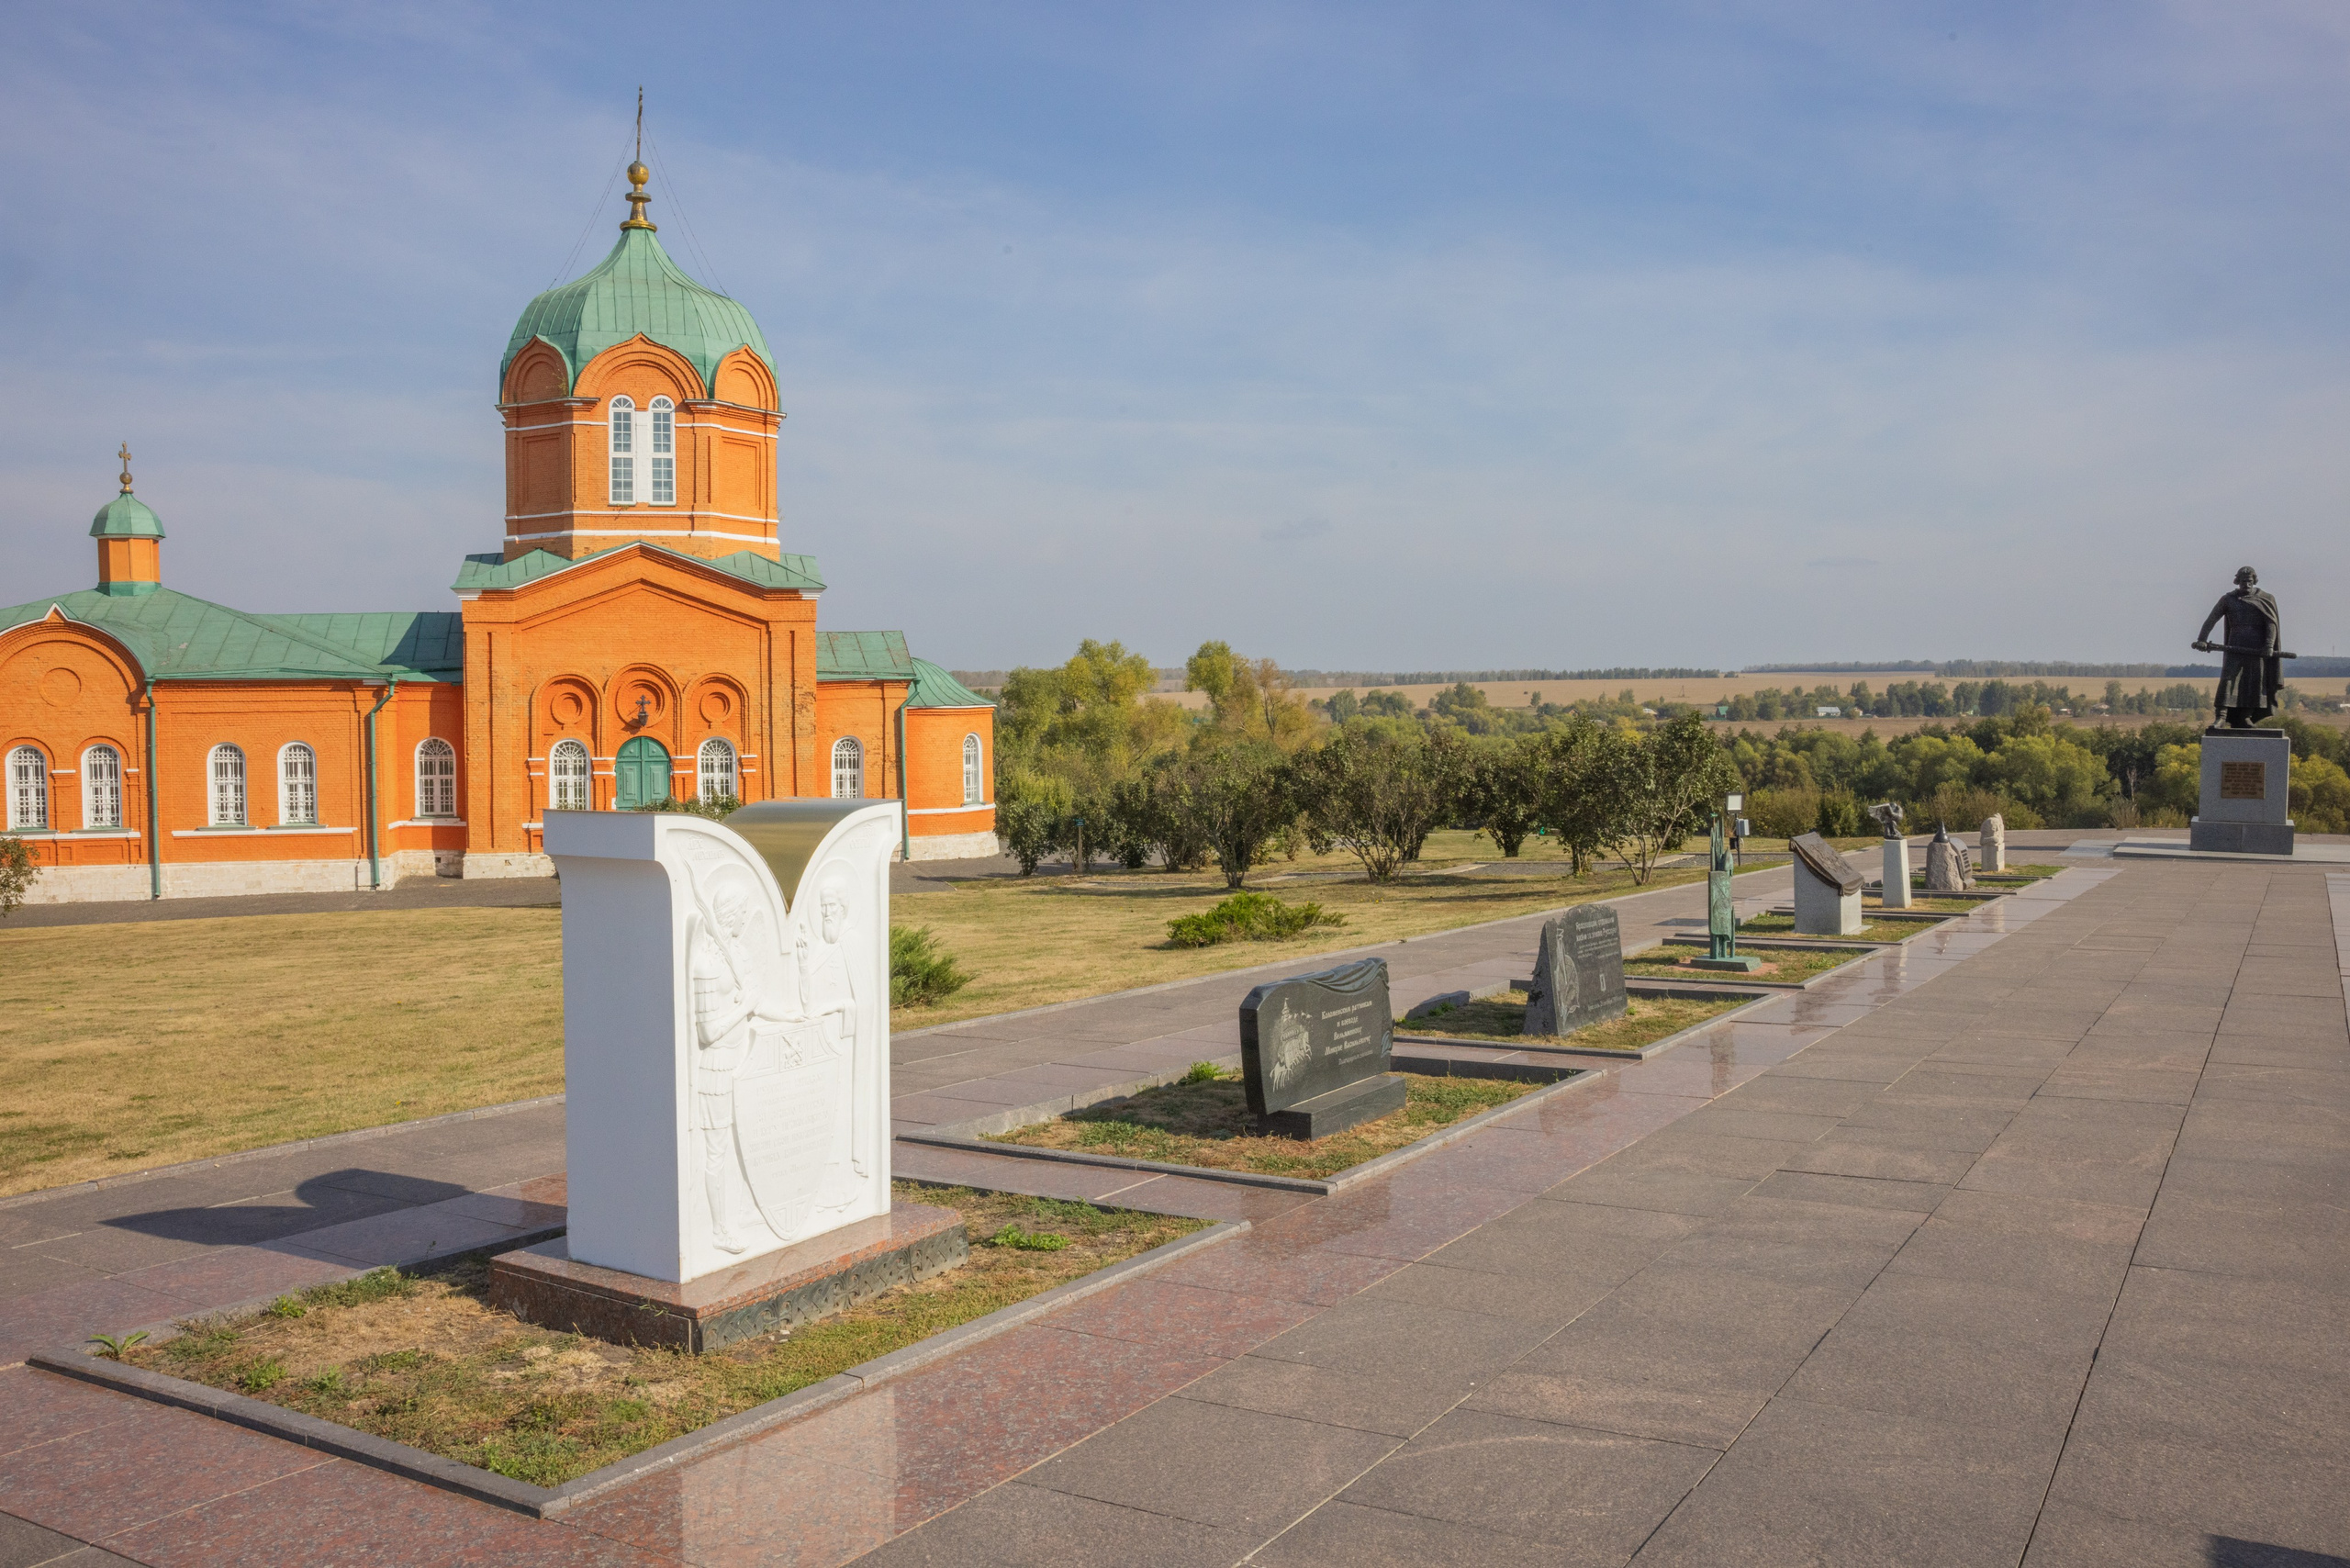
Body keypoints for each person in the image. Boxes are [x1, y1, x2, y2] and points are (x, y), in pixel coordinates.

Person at [2194, 567, 2286, 730]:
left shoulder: (2266, 598)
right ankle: (2221, 717)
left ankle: (2245, 717)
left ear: (2254, 581)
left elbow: (2271, 623)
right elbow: (2211, 619)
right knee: (2228, 680)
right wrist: (2202, 639)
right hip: (2234, 645)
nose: (2247, 584)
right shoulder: (2228, 599)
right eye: (2243, 581)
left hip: (2257, 648)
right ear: (2237, 582)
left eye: (2250, 581)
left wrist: (2269, 645)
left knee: (2254, 682)